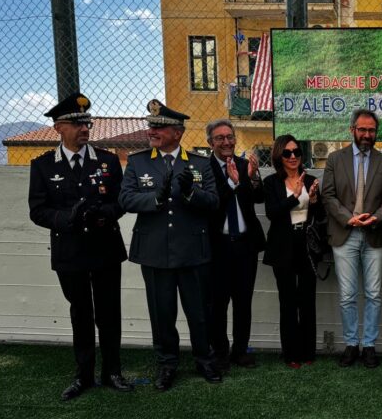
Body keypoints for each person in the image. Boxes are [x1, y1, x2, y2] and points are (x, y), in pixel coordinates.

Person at [28, 92, 132, 401]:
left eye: (87, 123)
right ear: (59, 128)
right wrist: (66, 218)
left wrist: (105, 214)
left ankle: (112, 371)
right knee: (81, 313)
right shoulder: (43, 165)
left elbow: (121, 201)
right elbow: (38, 210)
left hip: (104, 248)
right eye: (77, 124)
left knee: (109, 312)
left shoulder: (108, 160)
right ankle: (84, 375)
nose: (84, 128)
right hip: (70, 251)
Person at [119, 100, 221, 391]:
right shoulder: (138, 162)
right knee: (161, 313)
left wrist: (190, 193)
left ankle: (204, 359)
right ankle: (167, 363)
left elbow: (213, 202)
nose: (152, 131)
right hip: (154, 252)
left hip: (192, 250)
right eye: (151, 126)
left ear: (177, 133)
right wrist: (155, 198)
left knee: (198, 312)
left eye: (159, 127)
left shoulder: (200, 163)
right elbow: (125, 199)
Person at [321, 109, 382, 369]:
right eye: (362, 129)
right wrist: (348, 218)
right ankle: (352, 344)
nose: (366, 134)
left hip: (374, 234)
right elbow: (328, 195)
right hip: (345, 234)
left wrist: (375, 217)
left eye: (371, 130)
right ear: (352, 130)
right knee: (347, 295)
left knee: (373, 294)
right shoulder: (335, 159)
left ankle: (370, 345)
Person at [206, 119, 266, 371]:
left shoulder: (243, 165)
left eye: (229, 137)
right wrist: (231, 183)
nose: (226, 142)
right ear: (210, 142)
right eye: (220, 138)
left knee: (243, 302)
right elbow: (210, 203)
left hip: (245, 245)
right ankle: (220, 352)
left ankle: (240, 351)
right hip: (217, 247)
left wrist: (252, 179)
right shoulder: (203, 169)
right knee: (217, 304)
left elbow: (259, 198)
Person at [263, 135, 325, 368]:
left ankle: (308, 351)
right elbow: (272, 213)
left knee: (307, 300)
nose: (292, 157)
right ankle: (291, 353)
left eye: (296, 152)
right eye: (287, 153)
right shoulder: (272, 182)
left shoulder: (310, 179)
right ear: (279, 156)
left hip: (306, 246)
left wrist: (314, 200)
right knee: (288, 301)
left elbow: (320, 216)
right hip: (282, 247)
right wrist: (295, 197)